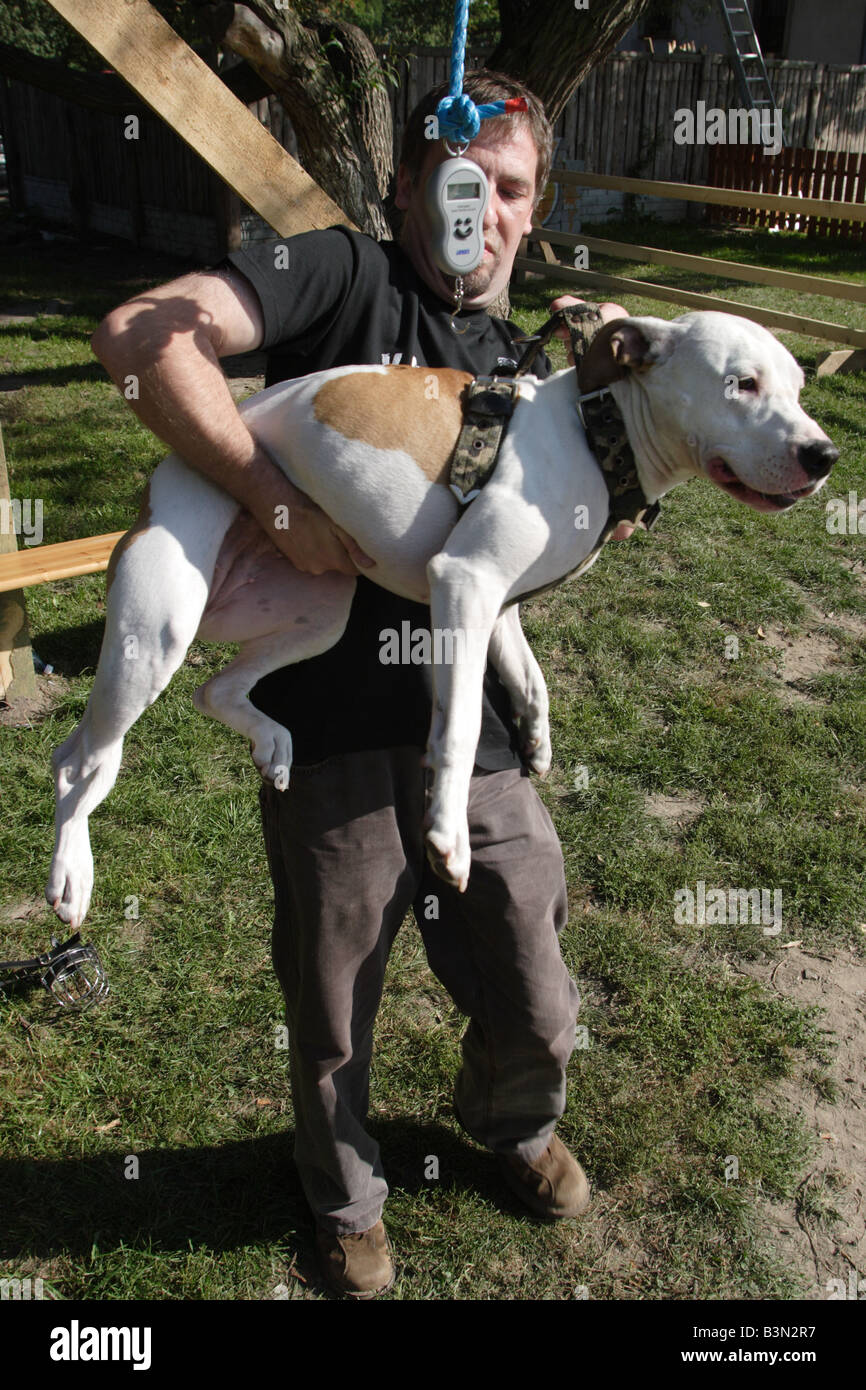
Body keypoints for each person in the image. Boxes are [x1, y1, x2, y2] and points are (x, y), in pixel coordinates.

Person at [92, 69, 629, 1299]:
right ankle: (343, 1195)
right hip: (324, 727)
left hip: (471, 741)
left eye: (507, 190)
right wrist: (270, 497)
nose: (479, 209)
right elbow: (136, 339)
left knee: (536, 985)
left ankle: (512, 1123)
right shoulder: (340, 274)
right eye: (457, 182)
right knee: (332, 996)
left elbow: (497, 577)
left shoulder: (532, 369)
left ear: (530, 212)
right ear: (404, 189)